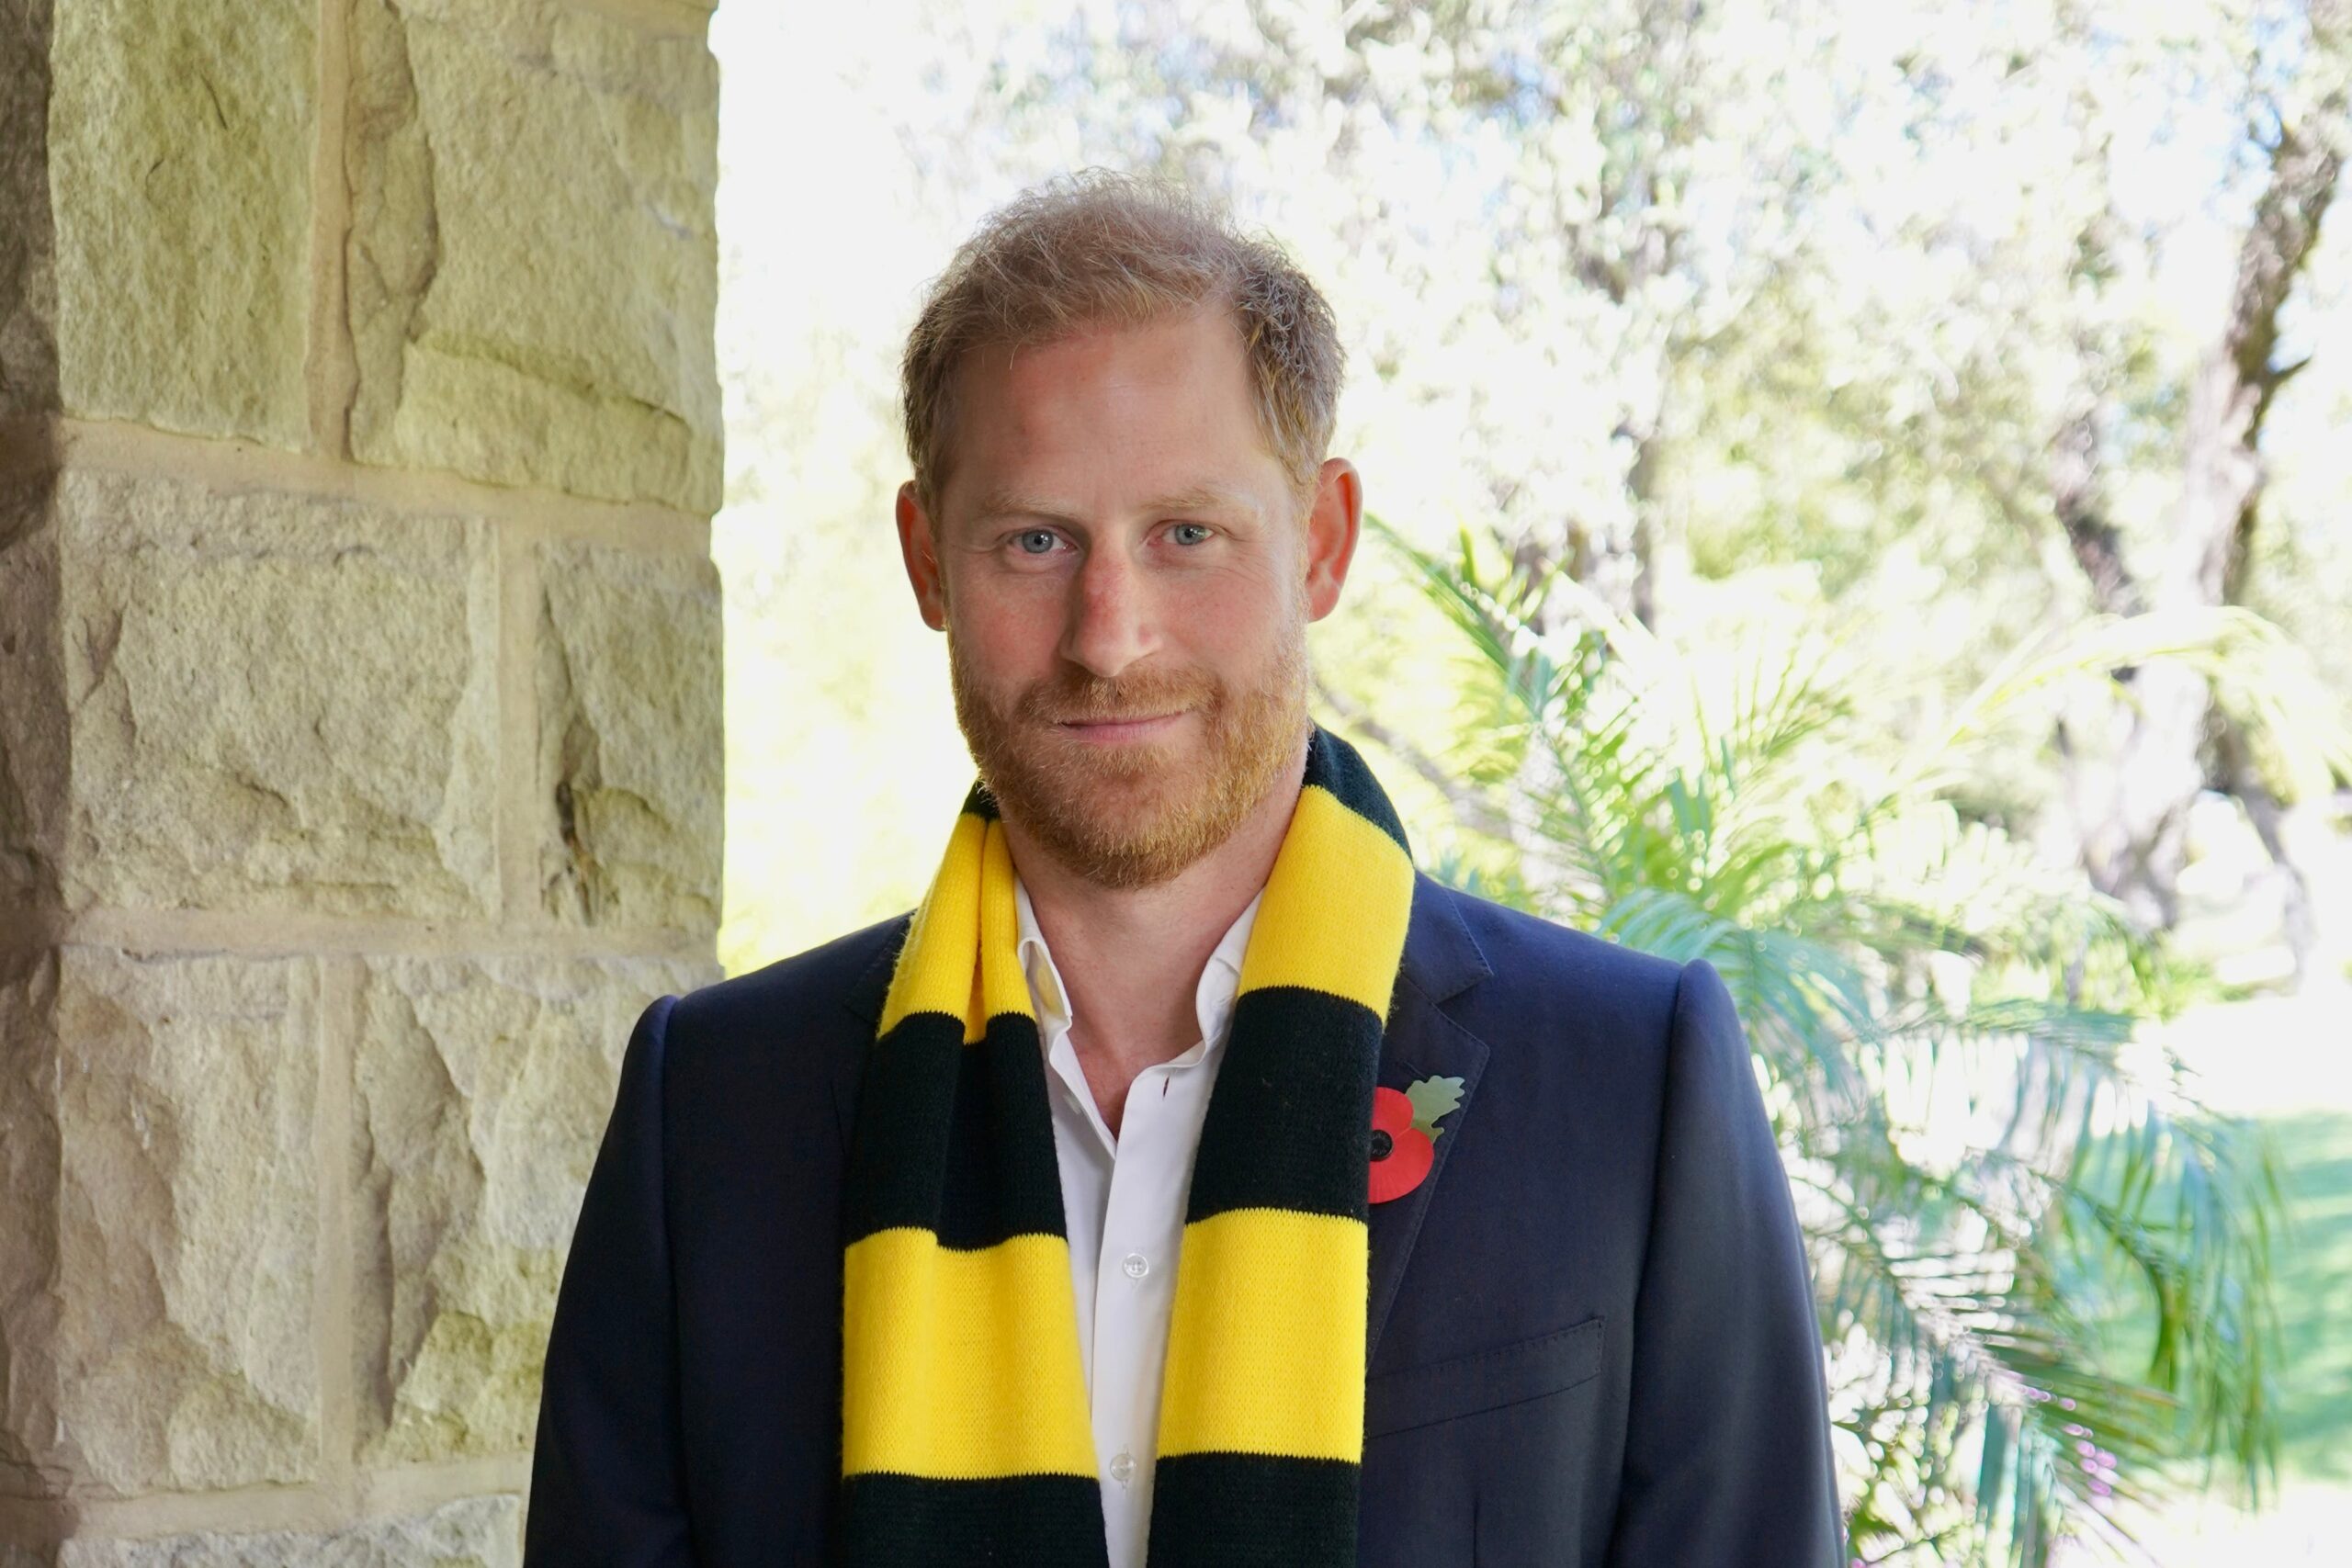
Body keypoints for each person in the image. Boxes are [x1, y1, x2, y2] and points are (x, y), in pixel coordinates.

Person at [524, 171, 1843, 1568]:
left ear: (1321, 542)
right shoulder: (713, 1110)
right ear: (927, 562)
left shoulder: (1630, 1080)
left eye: (1187, 535)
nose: (1112, 635)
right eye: (1036, 541)